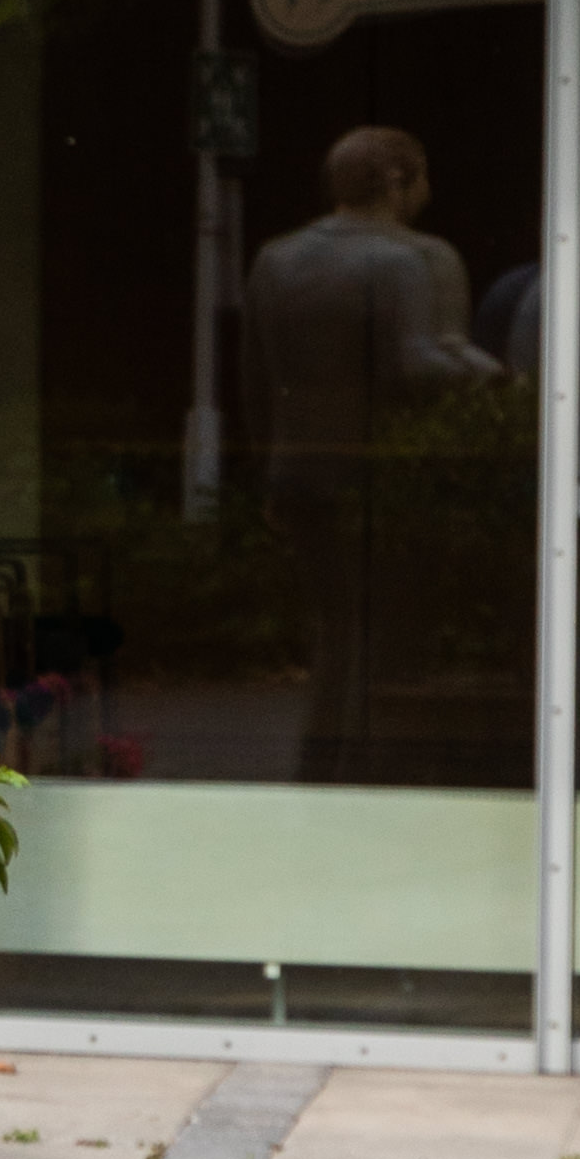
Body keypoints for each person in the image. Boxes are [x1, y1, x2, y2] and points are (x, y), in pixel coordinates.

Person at [241, 123, 503, 780]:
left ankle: (319, 766)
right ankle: (370, 773)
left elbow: (255, 377)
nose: (428, 188)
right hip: (380, 480)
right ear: (395, 181)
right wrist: (502, 380)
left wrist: (268, 472)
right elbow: (416, 364)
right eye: (422, 174)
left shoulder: (275, 259)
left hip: (299, 474)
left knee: (334, 628)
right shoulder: (409, 260)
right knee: (387, 635)